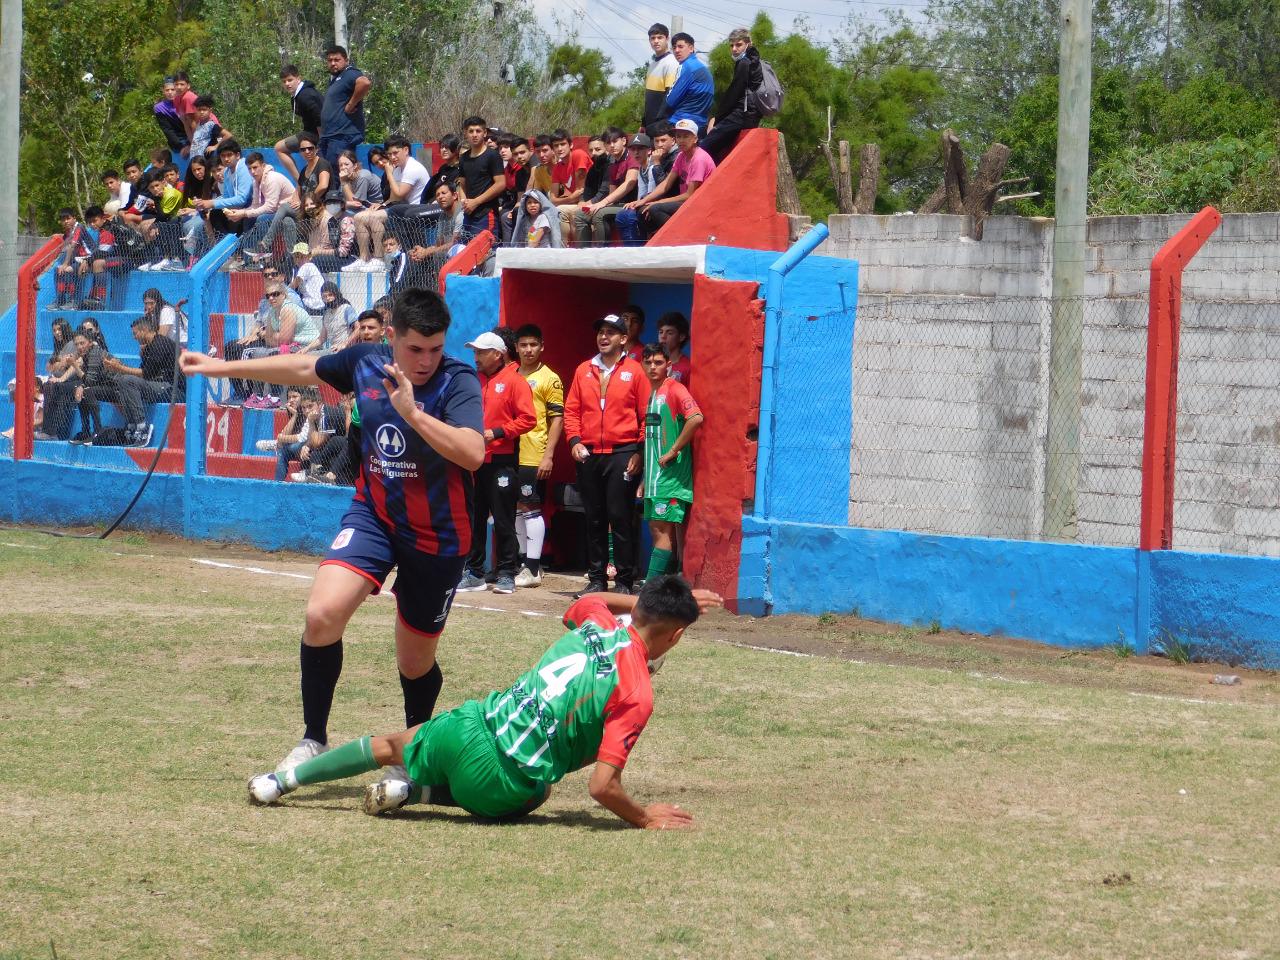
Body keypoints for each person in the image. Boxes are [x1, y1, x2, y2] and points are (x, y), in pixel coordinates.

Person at [180, 288, 485, 786]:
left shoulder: (458, 381)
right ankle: (312, 737)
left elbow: (472, 453)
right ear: (392, 338)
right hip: (376, 517)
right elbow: (305, 369)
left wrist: (413, 413)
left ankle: (417, 754)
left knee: (414, 662)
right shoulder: (366, 362)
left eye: (435, 348)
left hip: (439, 535)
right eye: (415, 349)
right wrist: (217, 366)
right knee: (321, 616)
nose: (426, 360)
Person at [248, 576, 720, 828]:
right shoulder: (638, 691)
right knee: (542, 791)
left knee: (391, 745)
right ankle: (422, 793)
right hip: (504, 786)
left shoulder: (595, 621)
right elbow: (602, 788)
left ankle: (280, 781)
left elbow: (586, 601)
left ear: (636, 609)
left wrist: (642, 601)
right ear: (676, 636)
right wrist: (643, 817)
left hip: (471, 725)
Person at [562, 314, 651, 596]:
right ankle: (597, 579)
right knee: (595, 518)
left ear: (623, 339)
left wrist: (639, 451)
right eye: (601, 332)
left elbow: (646, 416)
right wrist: (574, 440)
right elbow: (571, 411)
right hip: (590, 455)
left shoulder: (635, 371)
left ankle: (624, 581)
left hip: (622, 453)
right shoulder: (583, 370)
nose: (603, 337)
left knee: (621, 517)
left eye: (611, 333)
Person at [457, 331, 535, 595]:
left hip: (502, 460)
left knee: (503, 518)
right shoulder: (472, 380)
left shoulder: (515, 381)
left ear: (497, 354)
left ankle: (506, 573)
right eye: (474, 352)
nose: (475, 357)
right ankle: (475, 572)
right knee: (474, 517)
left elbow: (528, 419)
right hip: (473, 457)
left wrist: (497, 433)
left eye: (480, 352)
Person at [640, 343, 703, 580]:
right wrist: (645, 479)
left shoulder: (675, 389)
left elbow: (696, 417)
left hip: (670, 478)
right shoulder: (652, 394)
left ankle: (651, 586)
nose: (653, 367)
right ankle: (660, 586)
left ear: (669, 365)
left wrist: (674, 450)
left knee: (662, 530)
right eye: (648, 362)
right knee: (657, 530)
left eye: (658, 362)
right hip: (655, 479)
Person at [513, 324, 563, 588]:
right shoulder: (511, 373)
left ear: (542, 346)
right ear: (516, 347)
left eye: (533, 344)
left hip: (534, 452)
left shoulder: (550, 378)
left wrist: (549, 456)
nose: (528, 350)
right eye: (523, 345)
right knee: (516, 508)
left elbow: (557, 420)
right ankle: (525, 564)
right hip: (510, 451)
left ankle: (533, 568)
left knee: (530, 506)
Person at [93, 317, 184, 446]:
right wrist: (118, 367)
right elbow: (143, 373)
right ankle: (131, 426)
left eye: (135, 333)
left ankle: (142, 428)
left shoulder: (160, 344)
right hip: (157, 386)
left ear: (145, 330)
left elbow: (145, 374)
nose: (134, 337)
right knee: (122, 380)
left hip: (173, 389)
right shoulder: (148, 347)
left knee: (128, 380)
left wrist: (120, 368)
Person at [347, 135, 429, 271]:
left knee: (373, 218)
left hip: (415, 210)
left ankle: (379, 259)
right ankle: (363, 258)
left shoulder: (412, 168)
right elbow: (393, 198)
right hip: (401, 208)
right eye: (390, 154)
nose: (392, 157)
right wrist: (381, 205)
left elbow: (399, 194)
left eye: (395, 153)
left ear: (406, 150)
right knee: (359, 217)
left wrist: (389, 173)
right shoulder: (398, 169)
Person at [627, 119, 715, 234]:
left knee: (655, 208)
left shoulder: (699, 159)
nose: (681, 140)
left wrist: (658, 202)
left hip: (700, 203)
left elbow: (690, 195)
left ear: (695, 139)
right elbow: (666, 184)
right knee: (642, 210)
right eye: (679, 136)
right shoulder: (681, 156)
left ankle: (681, 237)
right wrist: (644, 201)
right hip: (688, 202)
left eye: (686, 136)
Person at [702, 28, 763, 163]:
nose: (734, 49)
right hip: (749, 115)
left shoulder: (745, 63)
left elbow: (734, 94)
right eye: (732, 45)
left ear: (748, 43)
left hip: (742, 115)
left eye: (738, 44)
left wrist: (717, 119)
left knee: (703, 148)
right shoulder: (754, 61)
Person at [574, 127, 639, 246]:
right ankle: (583, 254)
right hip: (618, 205)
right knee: (580, 215)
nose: (612, 145)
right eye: (608, 143)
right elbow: (612, 191)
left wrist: (602, 203)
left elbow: (629, 183)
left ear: (624, 141)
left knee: (600, 213)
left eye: (615, 141)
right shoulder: (613, 164)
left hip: (632, 204)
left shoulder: (631, 157)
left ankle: (603, 252)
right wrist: (597, 205)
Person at [319, 46, 372, 169]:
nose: (333, 63)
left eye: (337, 60)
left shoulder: (350, 73)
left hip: (342, 135)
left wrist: (350, 105)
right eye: (330, 60)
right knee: (326, 171)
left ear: (346, 60)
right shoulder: (336, 79)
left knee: (339, 170)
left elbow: (364, 82)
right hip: (330, 135)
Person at [274, 65, 326, 181]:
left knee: (279, 148)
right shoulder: (298, 95)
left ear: (298, 78)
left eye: (290, 80)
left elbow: (319, 117)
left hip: (316, 134)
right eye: (284, 81)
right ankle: (302, 182)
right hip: (311, 132)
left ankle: (300, 182)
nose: (287, 84)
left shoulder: (305, 95)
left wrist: (322, 141)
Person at [457, 115, 506, 240]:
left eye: (478, 131)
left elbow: (500, 184)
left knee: (485, 253)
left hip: (486, 213)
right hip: (468, 214)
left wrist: (476, 202)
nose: (474, 134)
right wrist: (464, 201)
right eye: (471, 131)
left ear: (484, 133)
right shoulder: (463, 158)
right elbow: (462, 183)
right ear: (465, 133)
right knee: (466, 252)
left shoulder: (492, 156)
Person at [194, 140, 253, 236]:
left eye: (229, 155)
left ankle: (235, 245)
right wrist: (205, 204)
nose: (226, 159)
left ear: (237, 155)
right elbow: (226, 196)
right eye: (223, 156)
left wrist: (212, 203)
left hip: (251, 207)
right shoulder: (227, 171)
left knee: (224, 214)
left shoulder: (244, 168)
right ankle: (226, 244)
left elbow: (242, 199)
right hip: (239, 208)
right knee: (214, 213)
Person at [666, 33, 715, 135]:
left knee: (653, 129)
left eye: (680, 46)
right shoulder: (701, 67)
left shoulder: (687, 66)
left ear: (691, 48)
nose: (676, 51)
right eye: (674, 48)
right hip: (700, 122)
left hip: (681, 122)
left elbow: (671, 101)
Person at [642, 24, 681, 135]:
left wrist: (659, 123)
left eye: (660, 37)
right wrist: (644, 122)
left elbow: (670, 95)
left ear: (667, 39)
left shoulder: (671, 62)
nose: (656, 41)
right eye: (653, 38)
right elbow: (649, 99)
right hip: (650, 124)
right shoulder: (652, 65)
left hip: (661, 125)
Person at [153, 78, 189, 155]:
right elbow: (167, 129)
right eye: (167, 90)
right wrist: (181, 147)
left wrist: (191, 142)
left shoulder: (185, 100)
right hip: (178, 141)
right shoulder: (159, 108)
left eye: (172, 89)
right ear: (163, 91)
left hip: (191, 137)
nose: (170, 92)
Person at [657, 311, 692, 387]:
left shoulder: (688, 367)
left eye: (669, 333)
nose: (663, 336)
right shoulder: (652, 363)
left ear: (681, 337)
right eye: (661, 332)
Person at [290, 243, 325, 315]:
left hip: (311, 305)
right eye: (297, 257)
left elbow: (293, 285)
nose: (299, 259)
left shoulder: (307, 266)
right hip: (319, 306)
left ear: (309, 257)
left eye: (302, 257)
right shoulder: (311, 266)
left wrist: (281, 291)